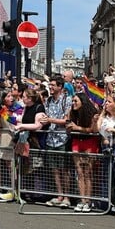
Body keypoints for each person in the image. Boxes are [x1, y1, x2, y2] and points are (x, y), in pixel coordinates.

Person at [42, 76, 72, 208]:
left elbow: (67, 120)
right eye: (50, 85)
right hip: (51, 139)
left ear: (60, 86)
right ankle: (59, 194)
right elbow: (46, 116)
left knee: (64, 169)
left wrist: (50, 120)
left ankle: (67, 196)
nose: (50, 87)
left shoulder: (66, 99)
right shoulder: (48, 101)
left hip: (62, 139)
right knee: (55, 169)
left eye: (53, 85)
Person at [66, 92, 100, 212]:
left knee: (88, 172)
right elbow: (69, 128)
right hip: (76, 141)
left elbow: (93, 130)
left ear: (82, 101)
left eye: (76, 101)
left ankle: (88, 200)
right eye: (73, 101)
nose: (73, 103)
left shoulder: (92, 113)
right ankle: (82, 199)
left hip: (89, 142)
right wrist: (69, 127)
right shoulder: (72, 112)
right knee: (79, 172)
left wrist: (77, 128)